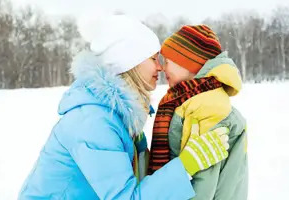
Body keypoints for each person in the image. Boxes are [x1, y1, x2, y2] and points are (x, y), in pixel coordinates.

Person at [18, 15, 229, 200]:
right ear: (131, 62)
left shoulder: (114, 114)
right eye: (153, 58)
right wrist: (186, 165)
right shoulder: (93, 122)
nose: (160, 67)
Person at [149, 25, 248, 200]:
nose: (163, 68)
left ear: (188, 63)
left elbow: (204, 181)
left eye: (168, 61)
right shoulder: (190, 99)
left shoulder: (206, 106)